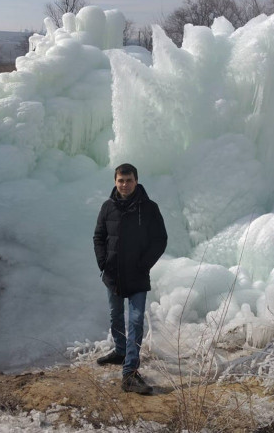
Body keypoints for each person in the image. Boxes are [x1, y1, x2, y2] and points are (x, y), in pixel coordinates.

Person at [93, 163, 167, 395]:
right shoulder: (108, 207)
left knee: (135, 320)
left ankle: (130, 373)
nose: (125, 184)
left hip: (137, 275)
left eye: (129, 180)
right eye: (120, 180)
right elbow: (99, 236)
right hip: (113, 274)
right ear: (115, 181)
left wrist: (144, 264)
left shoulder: (149, 208)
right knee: (116, 316)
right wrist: (103, 262)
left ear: (136, 181)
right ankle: (120, 351)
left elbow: (160, 239)